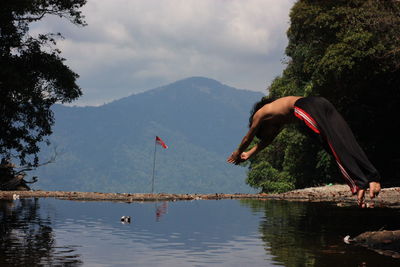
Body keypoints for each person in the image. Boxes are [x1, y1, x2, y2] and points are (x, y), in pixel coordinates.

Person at [227, 96, 381, 207]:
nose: (270, 133)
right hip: (322, 102)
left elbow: (248, 138)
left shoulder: (260, 114)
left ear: (263, 126)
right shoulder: (277, 117)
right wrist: (249, 154)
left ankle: (359, 182)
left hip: (305, 106)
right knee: (345, 140)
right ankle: (372, 176)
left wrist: (238, 151)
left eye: (266, 132)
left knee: (331, 144)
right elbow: (268, 140)